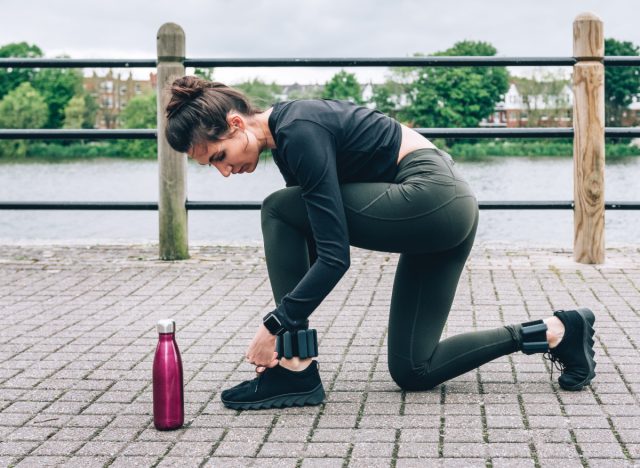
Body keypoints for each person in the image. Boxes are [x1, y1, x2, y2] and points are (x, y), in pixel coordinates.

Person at [163, 76, 596, 411]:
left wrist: (274, 329)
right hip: (443, 215)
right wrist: (289, 335)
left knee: (277, 208)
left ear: (236, 124)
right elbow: (311, 243)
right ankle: (558, 331)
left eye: (218, 156)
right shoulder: (289, 142)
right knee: (414, 369)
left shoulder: (298, 130)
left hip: (433, 196)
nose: (223, 171)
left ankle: (296, 372)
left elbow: (334, 257)